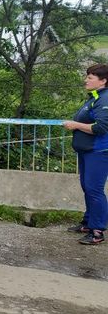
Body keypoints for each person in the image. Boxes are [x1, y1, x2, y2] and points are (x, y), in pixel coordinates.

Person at [62, 64, 108, 245]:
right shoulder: (94, 97)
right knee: (87, 187)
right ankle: (88, 223)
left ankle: (97, 231)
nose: (86, 80)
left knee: (94, 189)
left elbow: (101, 127)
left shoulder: (104, 99)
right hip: (87, 151)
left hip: (98, 151)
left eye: (90, 77)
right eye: (87, 76)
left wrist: (76, 125)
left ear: (103, 81)